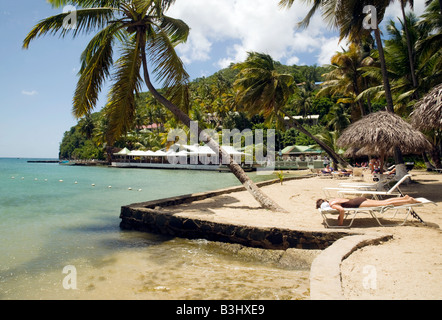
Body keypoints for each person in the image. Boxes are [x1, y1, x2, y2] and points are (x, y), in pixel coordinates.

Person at [316, 196, 421, 226]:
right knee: (383, 202)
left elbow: (342, 210)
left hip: (358, 204)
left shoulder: (332, 204)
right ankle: (404, 198)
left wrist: (340, 223)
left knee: (385, 203)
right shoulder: (333, 200)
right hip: (358, 199)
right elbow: (342, 207)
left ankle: (407, 201)